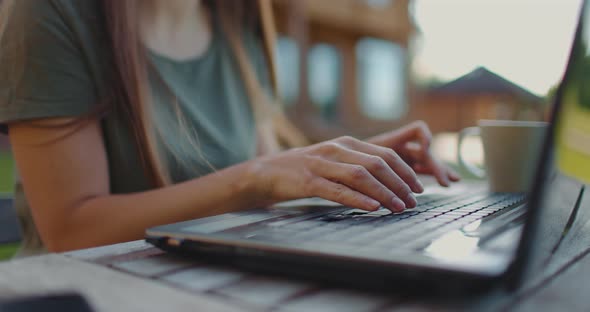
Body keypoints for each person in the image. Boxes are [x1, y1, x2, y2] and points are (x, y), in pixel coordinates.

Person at [0, 0, 459, 255]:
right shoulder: (53, 14)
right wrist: (259, 174)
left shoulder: (238, 21)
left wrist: (339, 167)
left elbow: (257, 181)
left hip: (211, 283)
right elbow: (71, 230)